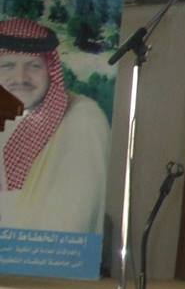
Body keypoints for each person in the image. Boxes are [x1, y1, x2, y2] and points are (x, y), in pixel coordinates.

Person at [0, 17, 110, 234]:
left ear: (50, 69)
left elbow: (67, 223)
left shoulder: (83, 119)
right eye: (8, 65)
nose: (20, 77)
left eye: (33, 65)